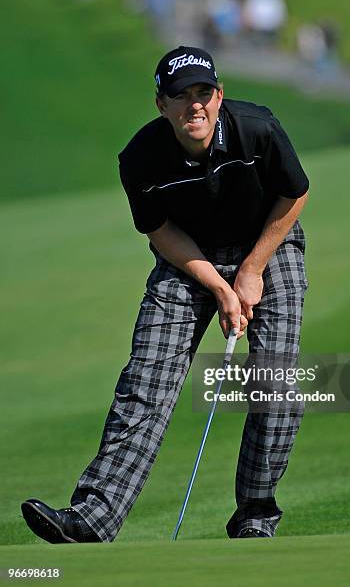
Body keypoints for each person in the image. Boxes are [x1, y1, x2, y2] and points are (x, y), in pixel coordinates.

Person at [21, 45, 309, 542]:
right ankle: (93, 518)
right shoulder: (140, 158)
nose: (193, 106)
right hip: (187, 259)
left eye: (203, 93)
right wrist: (219, 284)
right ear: (161, 105)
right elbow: (159, 230)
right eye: (181, 96)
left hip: (268, 246)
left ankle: (255, 518)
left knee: (275, 380)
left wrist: (252, 269)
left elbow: (294, 192)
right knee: (145, 381)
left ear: (219, 97)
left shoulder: (257, 128)